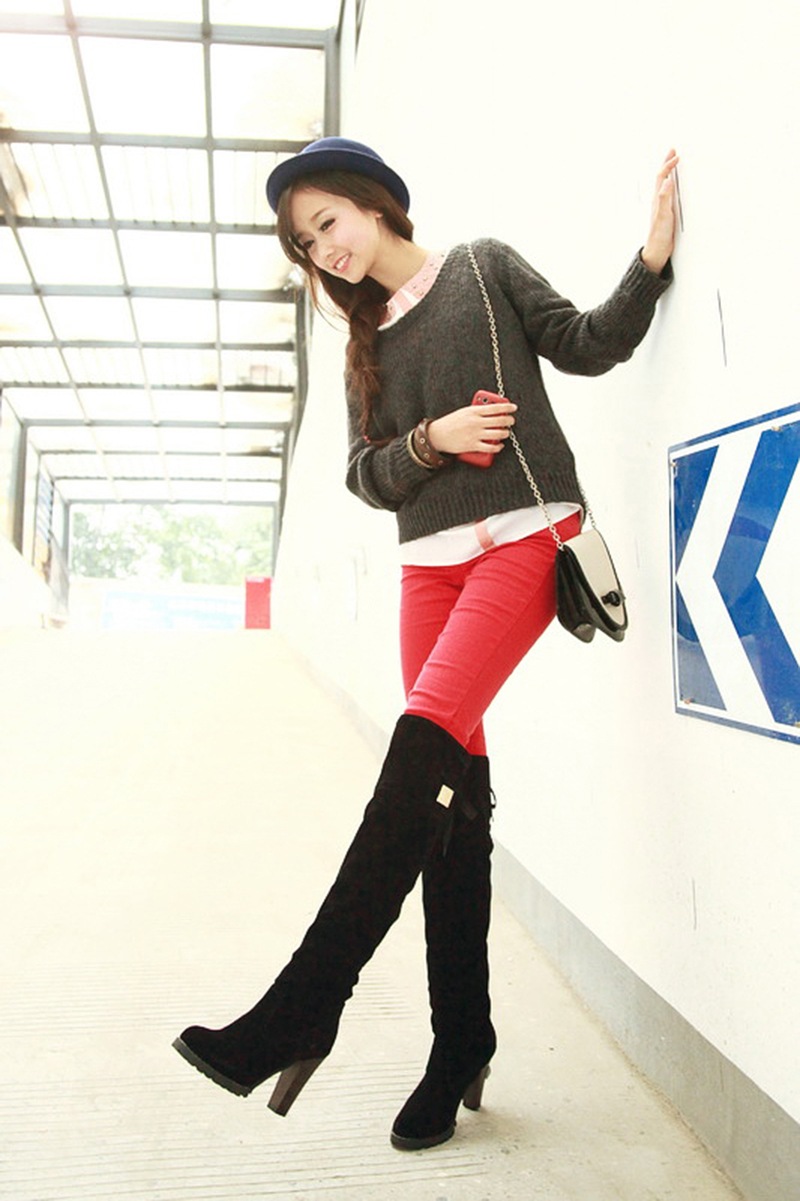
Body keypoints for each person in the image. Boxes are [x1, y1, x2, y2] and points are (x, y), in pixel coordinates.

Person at [174, 137, 678, 1150]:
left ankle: (301, 1004)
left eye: (327, 222)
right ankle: (460, 1041)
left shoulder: (482, 269)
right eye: (306, 244)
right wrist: (430, 440)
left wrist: (650, 258)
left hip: (524, 540)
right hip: (427, 569)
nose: (325, 250)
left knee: (417, 753)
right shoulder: (361, 344)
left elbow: (585, 343)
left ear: (374, 204)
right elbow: (364, 473)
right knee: (452, 797)